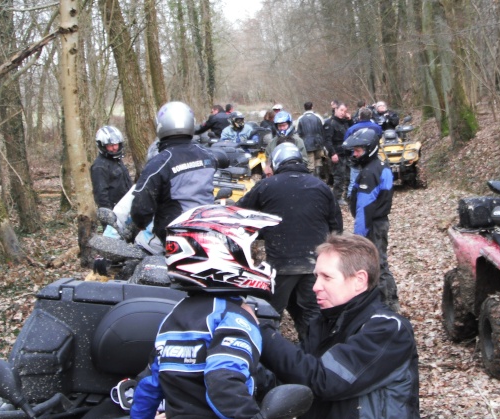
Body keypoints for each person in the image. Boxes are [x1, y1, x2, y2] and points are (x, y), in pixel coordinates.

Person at [129, 205, 311, 419]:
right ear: (220, 253)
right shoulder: (230, 317)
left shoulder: (173, 317)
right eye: (251, 253)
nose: (258, 261)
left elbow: (150, 381)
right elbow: (223, 383)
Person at [257, 233, 419, 419]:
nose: (315, 286)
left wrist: (261, 331)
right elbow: (295, 378)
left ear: (359, 280)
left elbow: (324, 379)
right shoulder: (323, 323)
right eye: (316, 277)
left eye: (326, 277)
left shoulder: (387, 329)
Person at [237, 143, 343, 341]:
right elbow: (336, 226)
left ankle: (267, 355)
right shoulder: (321, 186)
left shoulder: (266, 186)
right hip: (315, 264)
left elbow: (240, 215)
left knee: (269, 314)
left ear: (276, 163)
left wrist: (261, 231)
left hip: (281, 264)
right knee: (313, 314)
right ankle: (314, 355)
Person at [130, 101, 218, 243]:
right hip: (207, 229)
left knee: (140, 244)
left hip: (174, 236)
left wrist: (140, 224)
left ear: (161, 125)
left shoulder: (159, 163)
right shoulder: (207, 155)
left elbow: (141, 208)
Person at [344, 128, 399, 311]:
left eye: (358, 151)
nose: (355, 154)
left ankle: (385, 306)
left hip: (373, 224)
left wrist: (358, 237)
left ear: (370, 149)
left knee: (376, 264)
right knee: (380, 261)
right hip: (380, 222)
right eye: (354, 150)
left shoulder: (370, 172)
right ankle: (389, 302)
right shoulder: (382, 166)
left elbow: (364, 208)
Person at [343, 108, 383, 198]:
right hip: (372, 157)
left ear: (359, 117)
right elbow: (379, 138)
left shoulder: (352, 129)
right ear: (370, 116)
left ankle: (351, 197)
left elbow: (346, 142)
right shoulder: (376, 127)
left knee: (354, 179)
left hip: (356, 157)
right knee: (374, 176)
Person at [91, 125, 132, 209]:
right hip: (115, 210)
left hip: (126, 206)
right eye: (110, 145)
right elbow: (101, 195)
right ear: (102, 145)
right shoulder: (99, 166)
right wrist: (110, 214)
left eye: (116, 144)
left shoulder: (117, 161)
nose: (114, 148)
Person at [323, 102, 352, 205]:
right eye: (341, 110)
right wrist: (332, 153)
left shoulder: (345, 122)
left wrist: (350, 120)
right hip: (337, 152)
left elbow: (352, 131)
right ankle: (337, 197)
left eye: (344, 111)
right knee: (339, 177)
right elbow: (327, 140)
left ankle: (348, 196)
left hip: (347, 152)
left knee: (349, 176)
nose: (342, 113)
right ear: (336, 109)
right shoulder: (330, 123)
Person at [264, 111, 308, 176]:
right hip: (277, 175)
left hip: (296, 174)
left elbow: (304, 160)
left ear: (289, 125)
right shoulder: (272, 143)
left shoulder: (298, 141)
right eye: (279, 126)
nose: (282, 128)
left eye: (284, 125)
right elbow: (268, 159)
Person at [295, 102, 326, 177]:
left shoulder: (300, 119)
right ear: (312, 107)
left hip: (306, 144)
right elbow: (323, 129)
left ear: (304, 108)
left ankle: (312, 178)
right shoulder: (318, 117)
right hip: (318, 142)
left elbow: (298, 132)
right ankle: (318, 177)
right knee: (318, 160)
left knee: (310, 163)